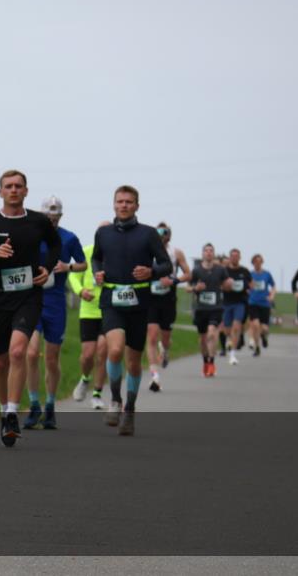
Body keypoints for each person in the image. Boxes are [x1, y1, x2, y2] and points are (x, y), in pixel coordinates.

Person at [0, 170, 60, 447]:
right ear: (0, 192)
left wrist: (48, 266)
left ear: (26, 191)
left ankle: (12, 412)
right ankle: (3, 410)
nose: (13, 190)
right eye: (8, 186)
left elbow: (54, 244)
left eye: (18, 186)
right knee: (0, 361)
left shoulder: (38, 221)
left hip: (29, 297)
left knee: (18, 351)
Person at [91, 185, 172, 436]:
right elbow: (96, 258)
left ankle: (130, 409)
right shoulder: (103, 233)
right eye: (119, 201)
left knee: (134, 360)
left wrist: (152, 272)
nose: (124, 205)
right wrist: (97, 272)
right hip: (112, 298)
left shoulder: (148, 234)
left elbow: (166, 265)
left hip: (139, 300)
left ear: (137, 205)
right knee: (114, 350)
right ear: (113, 204)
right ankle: (115, 400)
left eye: (129, 202)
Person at [24, 196, 87, 429]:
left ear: (61, 216)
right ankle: (33, 404)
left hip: (55, 302)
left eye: (55, 216)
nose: (51, 219)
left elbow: (83, 264)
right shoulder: (31, 235)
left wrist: (67, 267)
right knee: (31, 354)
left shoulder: (69, 238)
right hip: (32, 299)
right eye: (47, 216)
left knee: (51, 358)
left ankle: (50, 406)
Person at [67, 223, 110, 409]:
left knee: (103, 351)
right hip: (88, 311)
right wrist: (80, 291)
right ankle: (85, 379)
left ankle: (97, 393)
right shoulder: (86, 252)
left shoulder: (117, 255)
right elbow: (73, 276)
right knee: (87, 356)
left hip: (109, 310)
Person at [145, 223, 190, 392]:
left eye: (165, 233)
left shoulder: (176, 253)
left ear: (169, 236)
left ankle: (165, 350)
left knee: (165, 338)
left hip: (168, 299)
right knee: (151, 337)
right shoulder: (147, 251)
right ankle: (155, 376)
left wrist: (173, 281)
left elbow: (188, 273)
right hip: (151, 298)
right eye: (158, 233)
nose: (162, 235)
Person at [188, 243, 233, 377]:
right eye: (206, 251)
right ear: (202, 254)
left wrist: (228, 285)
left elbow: (227, 286)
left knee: (212, 333)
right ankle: (205, 362)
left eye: (211, 251)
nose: (208, 253)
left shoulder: (220, 270)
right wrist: (196, 288)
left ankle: (212, 362)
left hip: (216, 307)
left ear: (213, 254)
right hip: (201, 309)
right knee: (202, 339)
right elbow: (188, 288)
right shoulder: (196, 270)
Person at [220, 248, 252, 365]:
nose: (234, 258)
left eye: (236, 256)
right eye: (232, 256)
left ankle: (233, 354)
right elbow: (219, 284)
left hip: (240, 302)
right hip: (227, 302)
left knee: (236, 326)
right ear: (230, 257)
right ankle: (229, 339)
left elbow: (251, 284)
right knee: (226, 330)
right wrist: (225, 287)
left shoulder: (244, 271)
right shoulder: (224, 271)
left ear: (239, 257)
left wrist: (249, 289)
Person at [247, 254, 276, 355]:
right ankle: (257, 347)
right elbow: (246, 287)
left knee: (264, 328)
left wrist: (272, 296)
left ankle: (264, 336)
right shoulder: (250, 274)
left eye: (259, 261)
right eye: (255, 262)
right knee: (255, 325)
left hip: (264, 304)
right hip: (253, 303)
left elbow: (273, 286)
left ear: (262, 262)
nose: (257, 263)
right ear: (253, 263)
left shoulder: (267, 274)